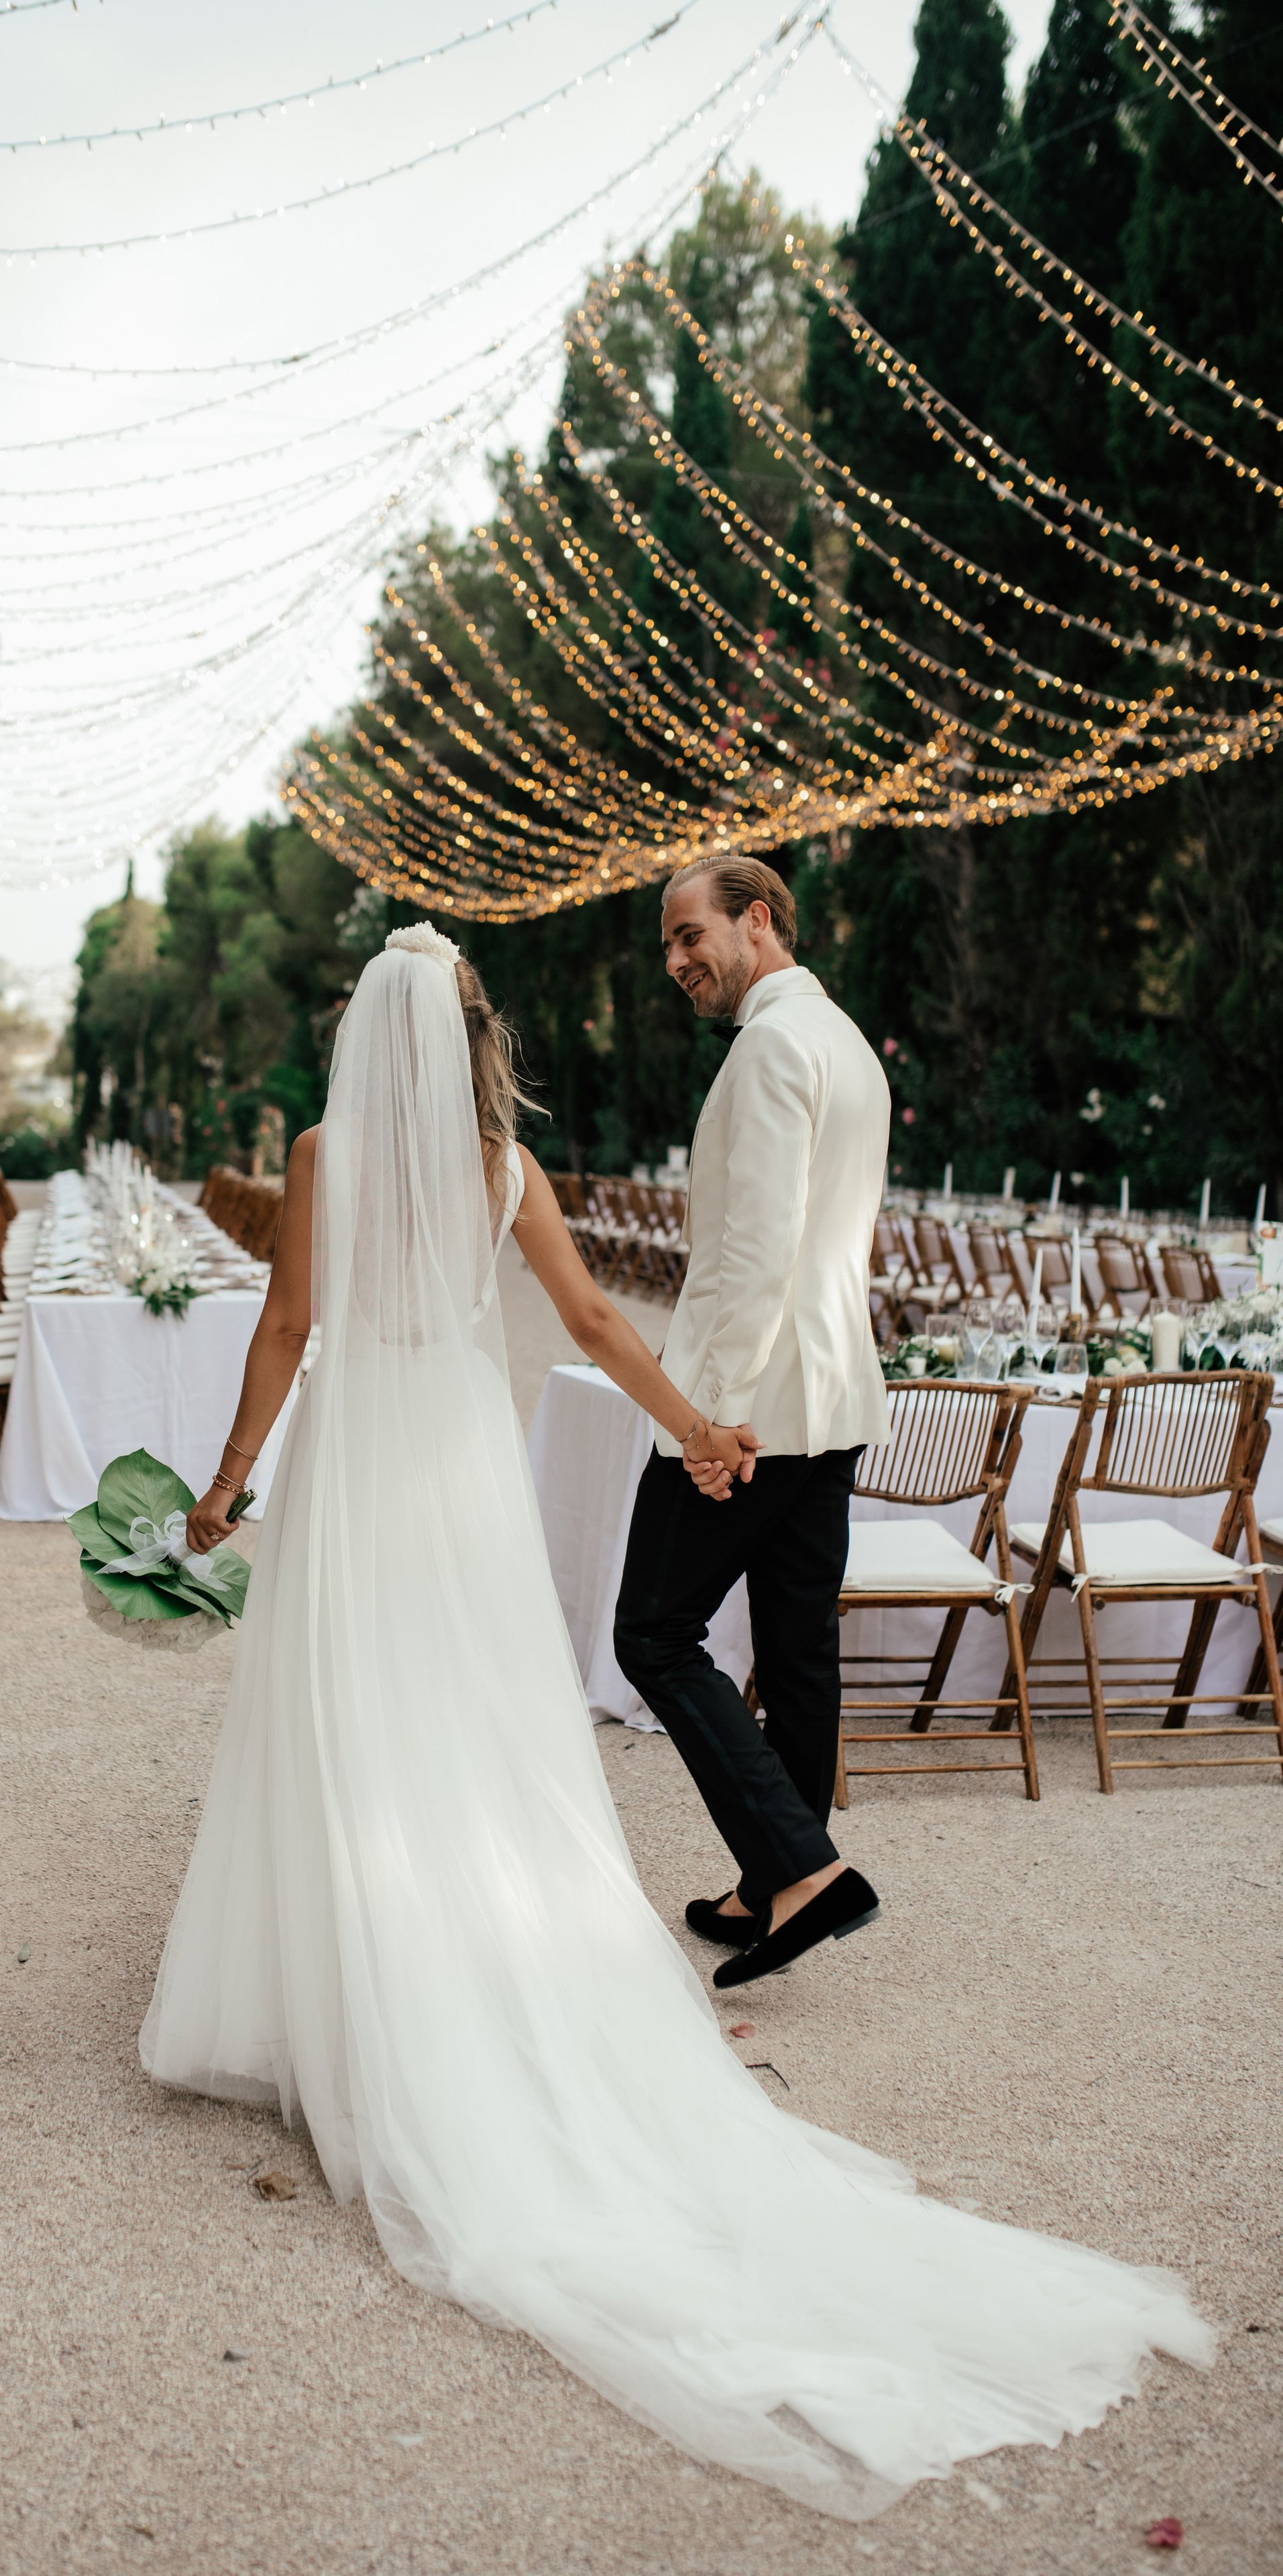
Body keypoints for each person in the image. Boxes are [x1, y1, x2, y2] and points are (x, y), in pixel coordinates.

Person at [143, 921, 1207, 2519]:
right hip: (460, 1498)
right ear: (469, 1033)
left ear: (370, 1037)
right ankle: (474, 1976)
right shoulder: (503, 1170)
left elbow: (286, 1334)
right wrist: (692, 1422)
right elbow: (588, 1327)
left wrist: (224, 1487)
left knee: (346, 1730)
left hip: (362, 1492)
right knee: (480, 1749)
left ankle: (354, 1997)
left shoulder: (321, 1150)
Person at [614, 856, 893, 1992]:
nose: (679, 962)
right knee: (798, 1651)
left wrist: (707, 1422)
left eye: (692, 937)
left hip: (761, 1407)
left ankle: (806, 1871)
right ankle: (765, 1885)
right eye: (670, 947)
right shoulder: (845, 1039)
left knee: (653, 1633)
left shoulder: (775, 1047)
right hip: (833, 1396)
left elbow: (757, 1254)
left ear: (757, 922)